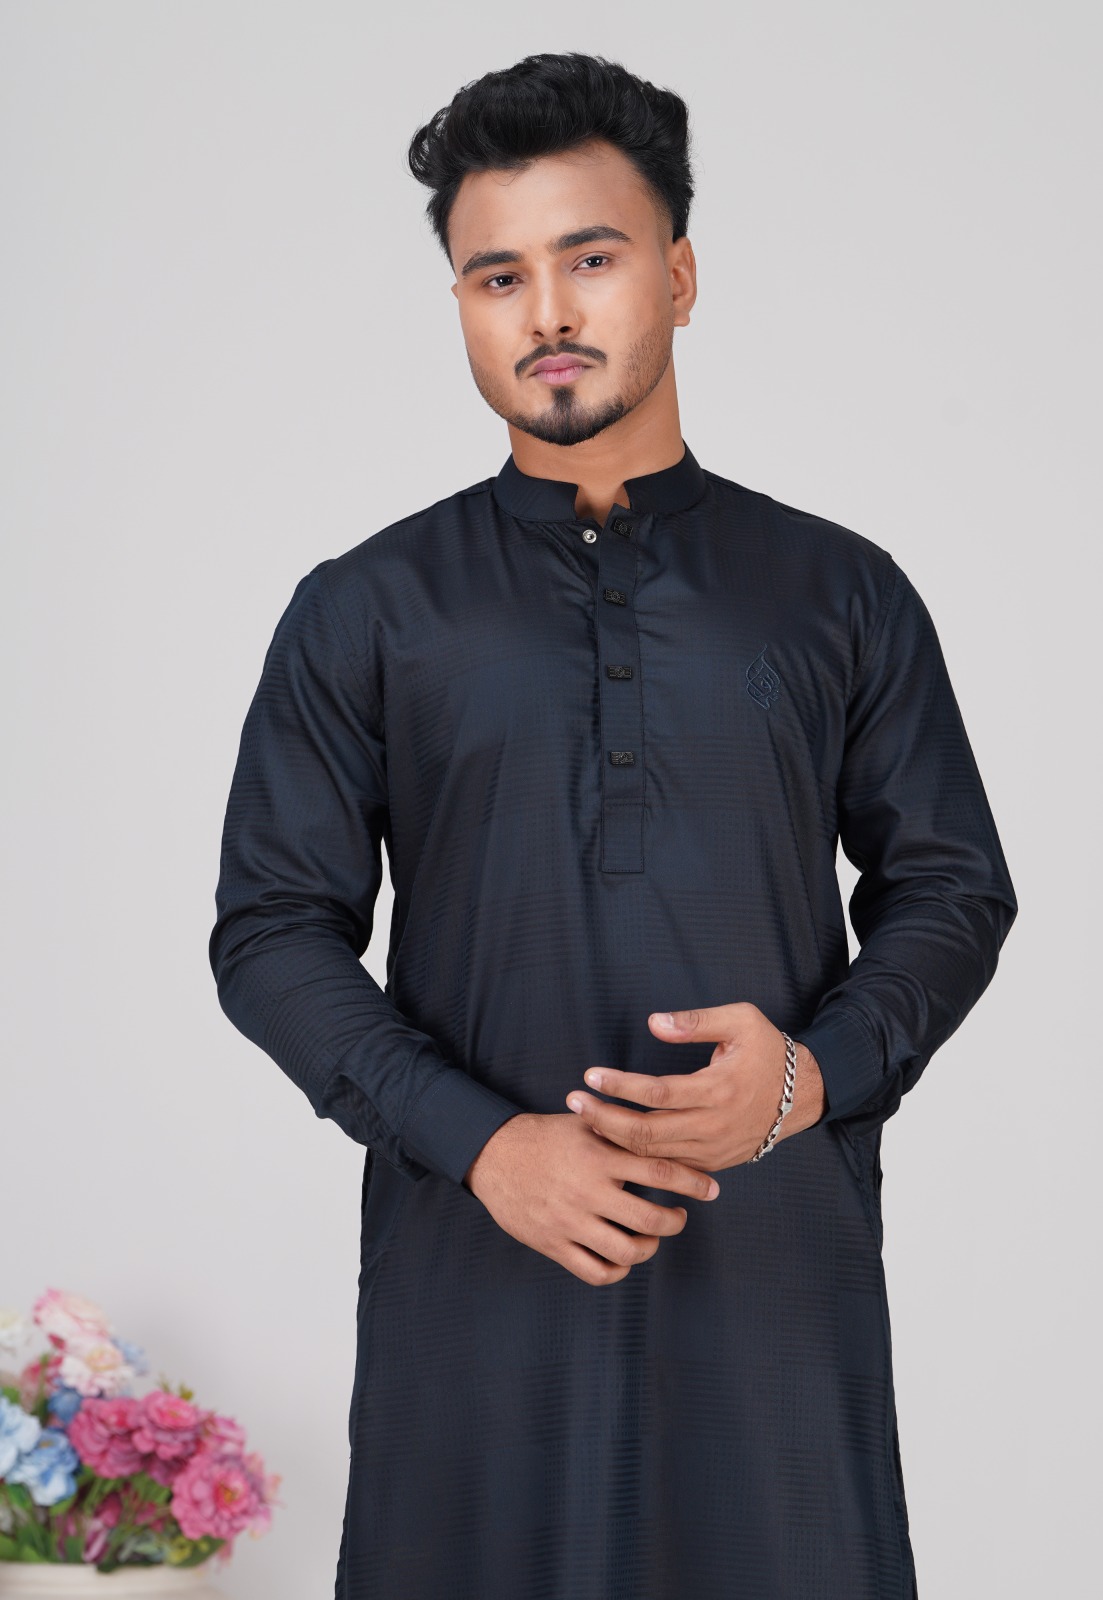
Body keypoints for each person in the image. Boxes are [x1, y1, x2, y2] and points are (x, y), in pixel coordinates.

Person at [208, 49, 1017, 1600]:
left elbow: (951, 887)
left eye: (590, 259)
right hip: (476, 1298)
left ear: (680, 276)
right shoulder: (366, 609)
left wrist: (810, 1078)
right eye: (497, 276)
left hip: (775, 1298)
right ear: (462, 303)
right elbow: (270, 933)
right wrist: (482, 1144)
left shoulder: (840, 592)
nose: (547, 314)